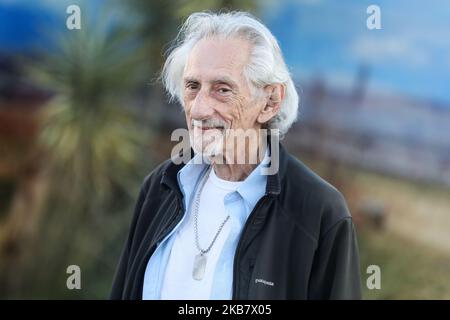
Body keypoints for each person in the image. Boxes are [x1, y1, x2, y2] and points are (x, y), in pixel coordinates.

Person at [110, 11, 361, 300]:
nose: (199, 109)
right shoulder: (160, 187)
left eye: (222, 89)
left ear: (270, 102)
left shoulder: (319, 212)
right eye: (193, 86)